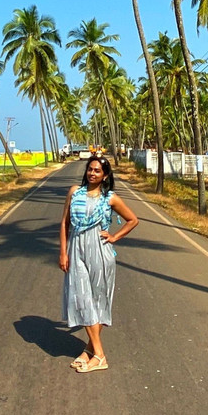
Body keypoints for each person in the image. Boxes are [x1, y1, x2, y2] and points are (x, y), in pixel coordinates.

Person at [59, 155, 139, 373]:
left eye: (97, 171)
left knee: (98, 301)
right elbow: (65, 223)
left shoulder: (110, 198)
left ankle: (91, 352)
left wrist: (114, 237)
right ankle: (98, 354)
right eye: (90, 169)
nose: (92, 173)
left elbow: (133, 220)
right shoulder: (75, 192)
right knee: (81, 299)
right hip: (76, 250)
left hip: (100, 252)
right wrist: (63, 253)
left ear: (105, 176)